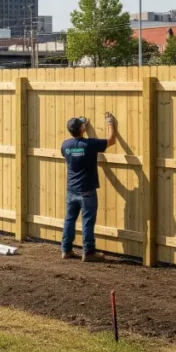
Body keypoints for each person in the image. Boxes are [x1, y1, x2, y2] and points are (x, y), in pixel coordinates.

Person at [61, 112, 118, 261]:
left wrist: (82, 126)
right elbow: (111, 140)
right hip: (86, 191)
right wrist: (110, 123)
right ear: (82, 129)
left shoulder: (65, 145)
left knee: (69, 219)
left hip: (71, 190)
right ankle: (89, 252)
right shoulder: (90, 144)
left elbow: (76, 148)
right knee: (87, 221)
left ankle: (66, 250)